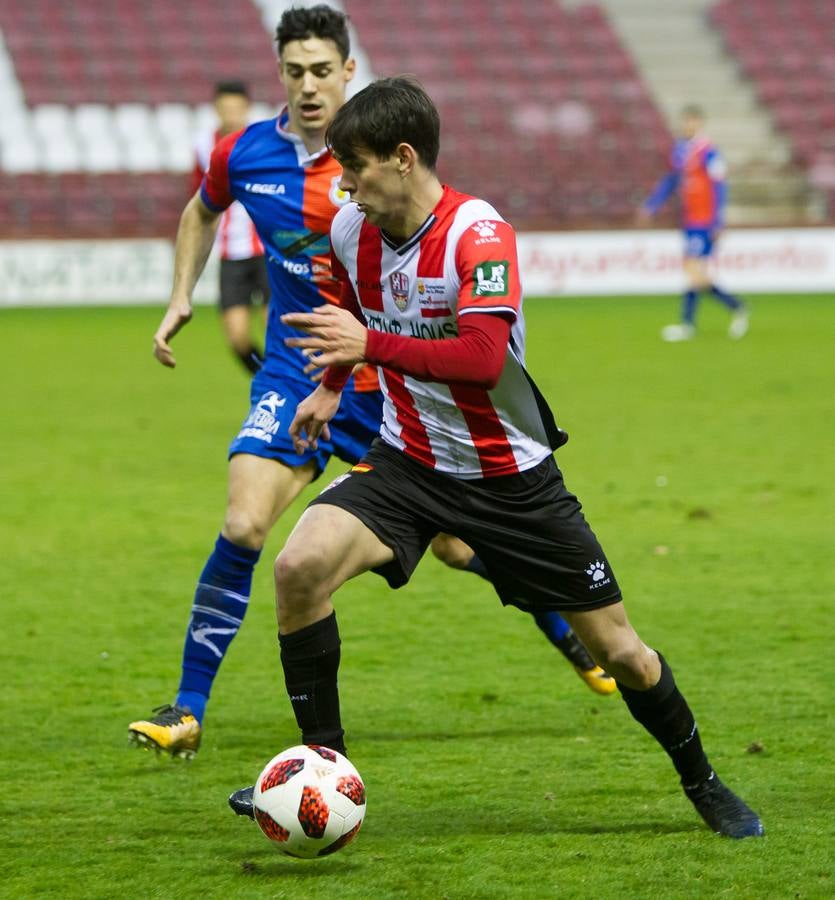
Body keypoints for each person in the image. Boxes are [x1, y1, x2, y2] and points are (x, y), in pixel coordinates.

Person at [227, 77, 764, 839]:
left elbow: (481, 359)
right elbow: (350, 312)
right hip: (407, 463)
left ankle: (703, 782)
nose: (344, 185)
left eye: (357, 167)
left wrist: (367, 349)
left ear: (404, 158)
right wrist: (331, 385)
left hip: (512, 484)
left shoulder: (478, 234)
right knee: (297, 568)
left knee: (621, 651)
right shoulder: (352, 231)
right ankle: (324, 774)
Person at [129, 7, 611, 762]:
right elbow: (201, 208)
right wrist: (181, 293)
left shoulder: (373, 167)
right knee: (245, 526)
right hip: (303, 370)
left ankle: (559, 620)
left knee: (456, 547)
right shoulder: (245, 153)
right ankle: (187, 707)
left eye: (322, 70)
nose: (308, 86)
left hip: (390, 382)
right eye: (294, 72)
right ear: (279, 75)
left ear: (348, 72)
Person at [639, 105, 749, 342]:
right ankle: (728, 311)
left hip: (705, 220)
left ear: (700, 123)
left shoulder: (708, 151)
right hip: (690, 220)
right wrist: (653, 204)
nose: (688, 125)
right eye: (685, 121)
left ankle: (726, 311)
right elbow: (672, 180)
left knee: (693, 273)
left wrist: (717, 221)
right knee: (694, 274)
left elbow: (719, 185)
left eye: (692, 121)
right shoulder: (680, 150)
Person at [193, 80, 270, 373]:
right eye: (225, 108)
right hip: (230, 254)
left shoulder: (262, 142)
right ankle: (269, 382)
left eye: (237, 108)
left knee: (278, 330)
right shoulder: (204, 145)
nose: (231, 114)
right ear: (216, 109)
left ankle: (291, 392)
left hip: (265, 248)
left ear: (247, 108)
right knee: (237, 337)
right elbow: (198, 197)